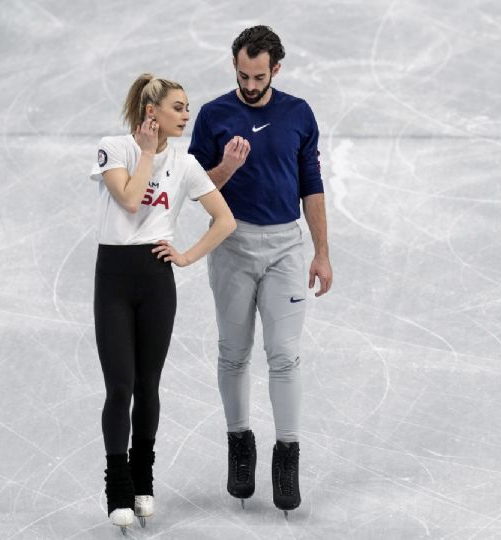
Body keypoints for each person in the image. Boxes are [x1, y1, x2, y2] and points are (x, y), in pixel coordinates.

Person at [188, 25, 333, 517]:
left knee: (285, 355)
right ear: (235, 66)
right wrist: (226, 168)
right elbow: (193, 187)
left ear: (276, 69)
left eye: (259, 76)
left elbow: (311, 184)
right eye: (243, 75)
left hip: (285, 249)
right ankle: (239, 445)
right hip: (230, 244)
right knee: (233, 353)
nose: (250, 86)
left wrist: (322, 252)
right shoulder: (213, 115)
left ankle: (287, 456)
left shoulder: (297, 113)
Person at [89, 73, 242, 531]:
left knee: (148, 386)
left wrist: (187, 256)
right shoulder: (115, 148)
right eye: (179, 107)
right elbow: (132, 200)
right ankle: (118, 485)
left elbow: (224, 220)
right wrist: (149, 153)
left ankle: (143, 480)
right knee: (120, 387)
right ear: (151, 112)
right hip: (114, 279)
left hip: (156, 282)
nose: (187, 114)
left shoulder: (187, 163)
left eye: (187, 107)